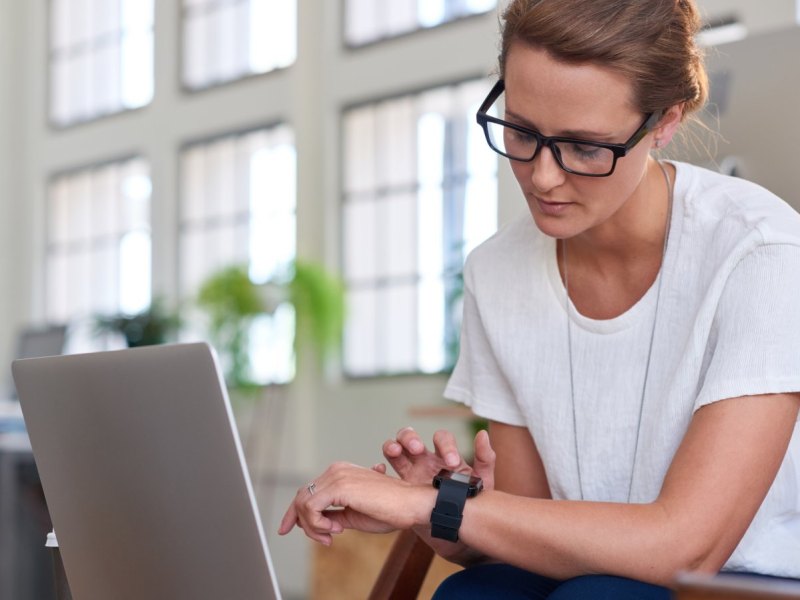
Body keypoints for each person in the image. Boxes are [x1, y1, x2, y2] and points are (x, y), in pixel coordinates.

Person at [279, 1, 800, 597]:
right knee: (475, 593)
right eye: (522, 132)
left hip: (741, 584)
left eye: (584, 147)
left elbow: (686, 545)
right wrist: (439, 507)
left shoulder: (762, 254)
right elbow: (524, 530)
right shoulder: (497, 272)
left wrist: (437, 509)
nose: (544, 177)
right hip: (589, 576)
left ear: (666, 120)